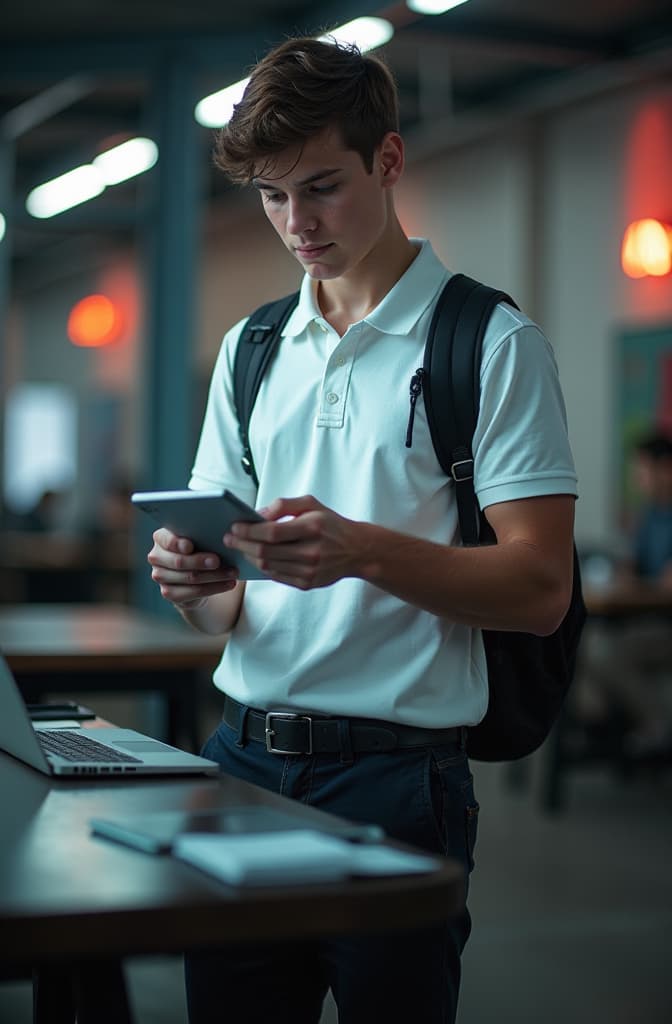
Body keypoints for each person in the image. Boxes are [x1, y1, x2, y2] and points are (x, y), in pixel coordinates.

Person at [146, 35, 577, 1024]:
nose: (296, 223)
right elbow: (222, 617)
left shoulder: (489, 343)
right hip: (242, 765)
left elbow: (540, 588)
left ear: (389, 160)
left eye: (322, 187)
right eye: (270, 195)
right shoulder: (253, 350)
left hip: (399, 779)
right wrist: (196, 580)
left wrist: (361, 551)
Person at [574, 430, 672, 759]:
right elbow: (635, 565)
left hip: (663, 623)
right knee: (586, 639)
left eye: (643, 472)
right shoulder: (650, 514)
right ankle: (598, 725)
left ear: (666, 469)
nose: (639, 480)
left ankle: (658, 728)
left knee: (607, 652)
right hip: (643, 616)